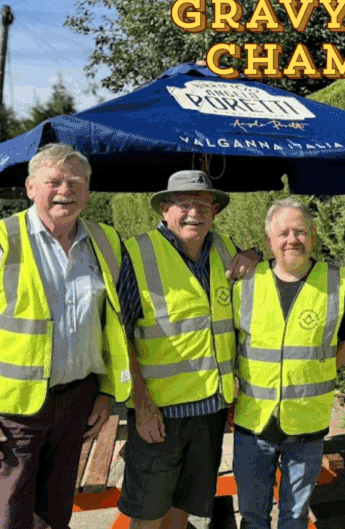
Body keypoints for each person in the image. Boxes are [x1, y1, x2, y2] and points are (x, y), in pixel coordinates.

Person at [0, 144, 131, 529]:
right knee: (7, 519)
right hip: (9, 416)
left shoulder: (106, 241)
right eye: (54, 181)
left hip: (76, 402)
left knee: (54, 518)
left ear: (88, 193)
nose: (66, 190)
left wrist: (107, 392)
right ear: (30, 188)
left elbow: (111, 325)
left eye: (76, 182)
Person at [117, 170, 255, 529]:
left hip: (211, 407)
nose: (195, 213)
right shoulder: (136, 254)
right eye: (184, 204)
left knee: (186, 508)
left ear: (215, 212)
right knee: (148, 513)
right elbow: (119, 336)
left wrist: (254, 255)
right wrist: (140, 402)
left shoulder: (226, 249)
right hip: (159, 414)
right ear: (164, 209)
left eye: (204, 205)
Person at [231, 197, 345, 529]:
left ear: (314, 236)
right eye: (284, 232)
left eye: (300, 231)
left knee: (295, 517)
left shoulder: (335, 282)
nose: (292, 239)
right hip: (254, 423)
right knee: (252, 516)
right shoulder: (245, 281)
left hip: (307, 425)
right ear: (269, 239)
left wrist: (325, 370)